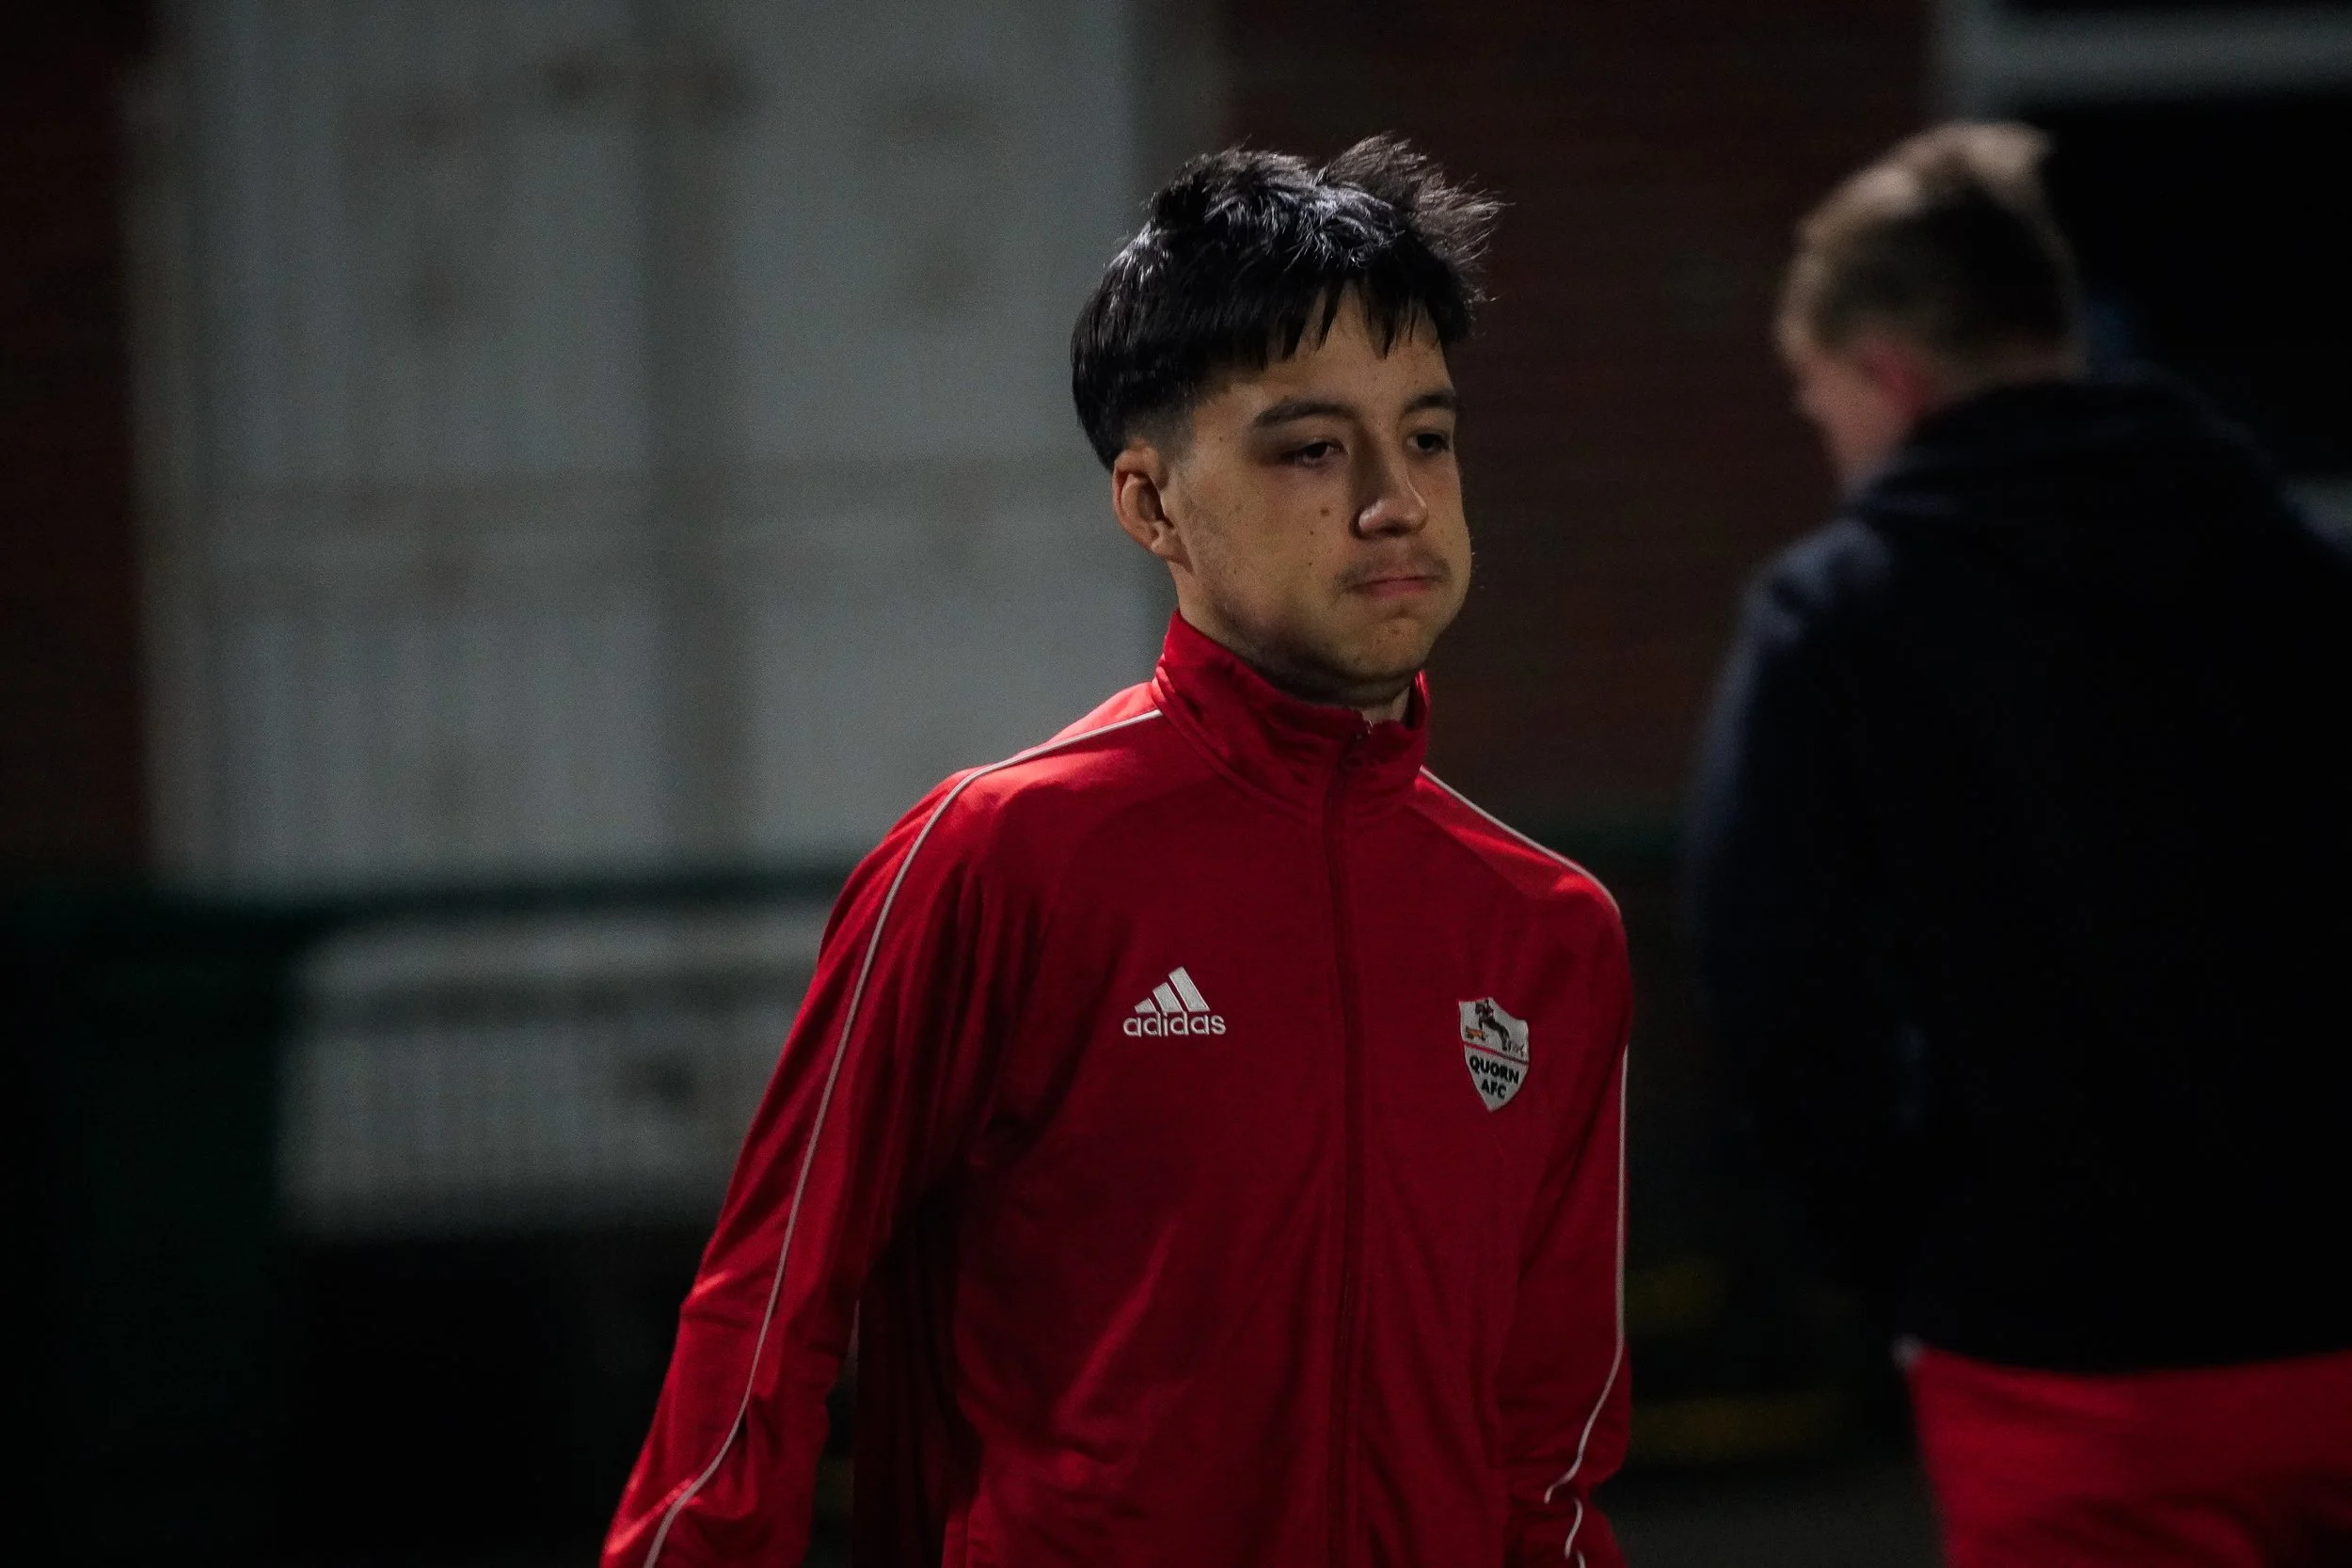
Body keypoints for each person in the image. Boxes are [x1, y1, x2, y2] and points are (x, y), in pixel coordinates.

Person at [604, 138, 1633, 1568]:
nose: (1394, 500)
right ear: (1152, 505)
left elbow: (1548, 1448)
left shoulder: (1547, 927)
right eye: (1312, 449)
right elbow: (764, 1319)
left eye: (1428, 437)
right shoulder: (993, 859)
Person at [1689, 121, 2352, 1567]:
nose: (1831, 443)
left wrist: (1900, 1257)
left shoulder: (1842, 619)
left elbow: (1780, 991)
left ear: (1888, 376)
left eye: (1819, 404)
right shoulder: (2294, 573)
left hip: (2065, 1366)